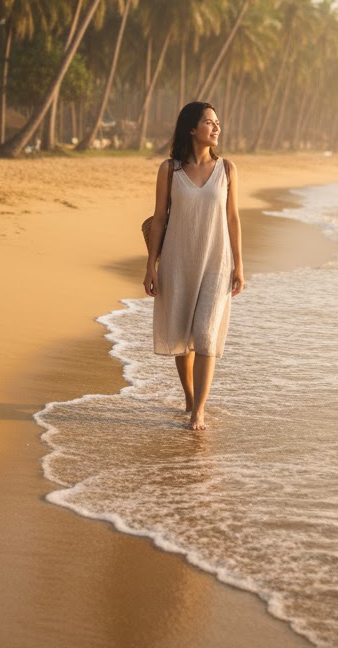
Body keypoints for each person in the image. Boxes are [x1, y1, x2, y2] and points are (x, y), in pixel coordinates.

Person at [143, 102, 245, 431]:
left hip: (217, 261)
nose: (216, 128)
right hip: (178, 260)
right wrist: (151, 266)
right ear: (191, 128)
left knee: (204, 335)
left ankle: (198, 411)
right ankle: (188, 398)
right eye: (208, 122)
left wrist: (239, 265)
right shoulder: (169, 170)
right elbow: (159, 219)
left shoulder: (227, 170)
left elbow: (232, 218)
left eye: (217, 122)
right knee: (182, 332)